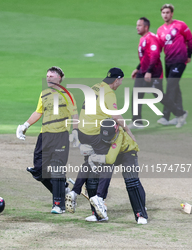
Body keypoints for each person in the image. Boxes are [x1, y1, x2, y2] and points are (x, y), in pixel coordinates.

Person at [67, 68, 134, 219]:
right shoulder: (109, 93)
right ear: (116, 80)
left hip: (83, 131)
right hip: (94, 133)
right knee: (107, 162)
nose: (121, 83)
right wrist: (128, 130)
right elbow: (116, 115)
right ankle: (100, 198)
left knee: (89, 161)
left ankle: (74, 191)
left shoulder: (95, 87)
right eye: (121, 81)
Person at [16, 66, 79, 214]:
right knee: (38, 170)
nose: (48, 78)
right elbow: (38, 112)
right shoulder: (44, 94)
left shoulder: (67, 95)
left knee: (57, 170)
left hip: (60, 137)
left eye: (51, 76)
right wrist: (25, 125)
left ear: (59, 78)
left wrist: (75, 132)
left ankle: (58, 205)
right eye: (47, 76)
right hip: (44, 136)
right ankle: (62, 190)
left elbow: (74, 115)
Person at [68, 119, 148, 224]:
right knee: (93, 178)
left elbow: (110, 159)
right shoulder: (100, 130)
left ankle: (141, 214)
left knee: (131, 180)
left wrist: (94, 157)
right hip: (110, 153)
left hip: (128, 153)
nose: (107, 140)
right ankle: (97, 214)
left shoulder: (119, 134)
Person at [129, 17, 187, 129]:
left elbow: (155, 56)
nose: (137, 27)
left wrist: (149, 72)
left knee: (159, 96)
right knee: (136, 95)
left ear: (146, 27)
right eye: (137, 25)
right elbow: (145, 57)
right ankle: (137, 122)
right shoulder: (143, 38)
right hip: (143, 72)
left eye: (139, 25)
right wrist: (138, 68)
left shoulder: (151, 38)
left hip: (153, 73)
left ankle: (180, 113)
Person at [156, 4, 191, 127]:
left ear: (172, 14)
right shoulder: (160, 30)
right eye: (163, 12)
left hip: (180, 60)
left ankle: (166, 116)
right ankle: (179, 116)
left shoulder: (180, 25)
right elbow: (159, 48)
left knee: (170, 87)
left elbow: (190, 39)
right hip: (168, 61)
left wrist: (189, 55)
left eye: (167, 12)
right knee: (175, 87)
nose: (165, 15)